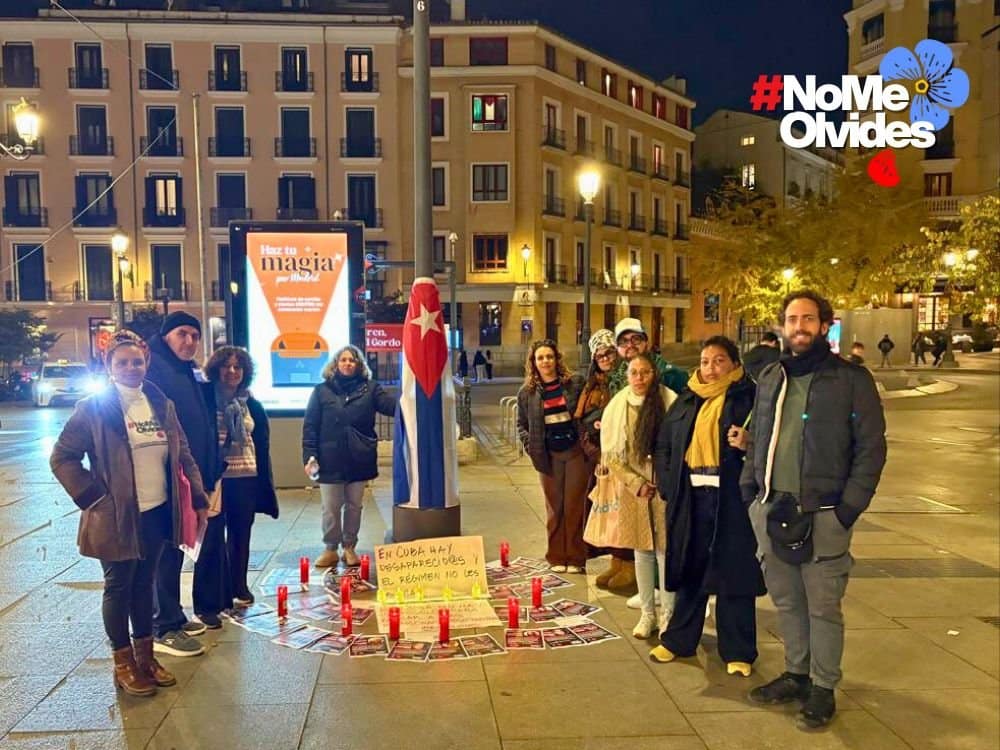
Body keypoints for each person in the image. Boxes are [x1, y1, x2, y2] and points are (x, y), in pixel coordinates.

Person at [741, 290, 886, 730]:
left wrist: (847, 509)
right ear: (783, 326)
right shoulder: (772, 376)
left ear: (824, 325)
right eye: (792, 319)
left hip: (824, 513)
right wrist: (751, 493)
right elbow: (759, 435)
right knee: (787, 600)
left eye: (808, 319)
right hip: (772, 507)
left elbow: (871, 448)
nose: (799, 327)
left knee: (823, 605)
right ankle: (796, 673)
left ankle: (823, 686)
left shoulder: (850, 380)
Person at [50, 330, 209, 697]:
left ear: (146, 363)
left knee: (143, 585)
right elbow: (62, 457)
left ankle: (145, 658)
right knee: (119, 587)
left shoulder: (159, 402)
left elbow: (182, 453)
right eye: (121, 362)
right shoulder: (93, 408)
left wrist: (198, 497)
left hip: (156, 512)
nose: (130, 367)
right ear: (109, 366)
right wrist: (94, 497)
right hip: (116, 517)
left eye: (137, 361)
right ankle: (123, 664)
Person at [650, 336, 764, 676]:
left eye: (718, 361)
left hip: (732, 499)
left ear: (734, 364)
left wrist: (749, 443)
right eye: (704, 361)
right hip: (691, 497)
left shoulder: (749, 397)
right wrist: (669, 486)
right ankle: (679, 639)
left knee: (733, 573)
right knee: (690, 567)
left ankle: (738, 650)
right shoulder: (688, 399)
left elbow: (772, 442)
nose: (710, 368)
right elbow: (665, 445)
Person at [145, 311, 220, 656]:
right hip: (167, 477)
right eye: (182, 334)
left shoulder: (183, 369)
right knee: (164, 550)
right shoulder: (155, 368)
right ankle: (163, 626)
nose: (190, 341)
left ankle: (173, 615)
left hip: (187, 476)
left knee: (176, 546)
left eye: (195, 335)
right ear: (166, 336)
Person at [601, 352, 677, 637]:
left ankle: (668, 614)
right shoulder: (618, 406)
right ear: (627, 375)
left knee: (665, 552)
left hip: (666, 489)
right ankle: (648, 614)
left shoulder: (669, 401)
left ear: (653, 374)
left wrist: (664, 480)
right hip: (635, 491)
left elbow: (679, 446)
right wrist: (637, 483)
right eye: (634, 372)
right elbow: (612, 455)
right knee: (642, 552)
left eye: (645, 372)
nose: (640, 378)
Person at [302, 345, 396, 568]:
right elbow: (310, 426)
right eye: (343, 360)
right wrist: (310, 455)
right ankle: (330, 548)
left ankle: (349, 547)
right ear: (335, 364)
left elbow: (392, 407)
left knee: (354, 505)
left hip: (359, 457)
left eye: (352, 360)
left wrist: (413, 399)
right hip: (329, 459)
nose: (347, 364)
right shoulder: (321, 391)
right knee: (331, 507)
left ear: (359, 365)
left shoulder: (371, 389)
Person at [202, 346, 279, 606]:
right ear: (216, 369)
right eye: (226, 366)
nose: (232, 371)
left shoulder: (250, 404)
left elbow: (262, 442)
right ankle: (218, 591)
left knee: (241, 534)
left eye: (238, 367)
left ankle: (239, 585)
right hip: (217, 479)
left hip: (246, 477)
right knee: (212, 537)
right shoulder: (205, 400)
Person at [517, 339, 588, 573]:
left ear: (557, 359)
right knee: (554, 508)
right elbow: (521, 424)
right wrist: (531, 446)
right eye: (540, 358)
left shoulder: (574, 383)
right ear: (533, 363)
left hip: (575, 453)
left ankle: (576, 558)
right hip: (547, 456)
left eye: (549, 356)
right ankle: (557, 557)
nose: (545, 361)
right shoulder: (527, 393)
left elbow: (587, 413)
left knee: (574, 506)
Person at [573, 329, 618, 578]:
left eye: (609, 353)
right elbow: (580, 423)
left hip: (621, 458)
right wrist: (596, 454)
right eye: (600, 356)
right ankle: (612, 561)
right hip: (596, 458)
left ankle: (624, 564)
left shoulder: (623, 381)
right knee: (600, 510)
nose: (606, 359)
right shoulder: (590, 385)